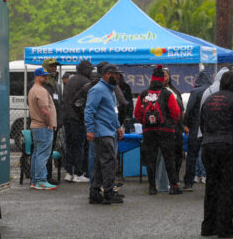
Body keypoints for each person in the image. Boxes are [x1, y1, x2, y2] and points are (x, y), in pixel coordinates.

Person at [200, 71, 233, 238]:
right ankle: (225, 227)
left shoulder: (208, 100)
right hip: (230, 148)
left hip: (208, 147)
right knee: (229, 188)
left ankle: (208, 226)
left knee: (212, 187)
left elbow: (202, 124)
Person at [134, 65, 182, 195]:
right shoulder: (167, 93)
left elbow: (137, 112)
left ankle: (152, 186)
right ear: (162, 80)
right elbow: (176, 112)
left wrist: (144, 123)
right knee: (169, 158)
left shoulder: (144, 93)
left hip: (148, 131)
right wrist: (172, 123)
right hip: (166, 130)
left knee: (151, 159)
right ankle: (173, 186)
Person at [84, 64, 125, 204]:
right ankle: (108, 192)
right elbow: (89, 110)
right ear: (108, 74)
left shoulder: (110, 90)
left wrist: (118, 127)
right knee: (109, 163)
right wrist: (90, 129)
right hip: (102, 132)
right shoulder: (98, 90)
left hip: (109, 131)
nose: (118, 77)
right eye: (116, 74)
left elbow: (113, 111)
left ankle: (95, 192)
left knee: (100, 164)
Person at [62, 60, 92, 183]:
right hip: (78, 119)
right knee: (79, 146)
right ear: (85, 69)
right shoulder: (85, 82)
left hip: (67, 118)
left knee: (69, 146)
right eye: (90, 69)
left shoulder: (71, 80)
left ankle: (69, 172)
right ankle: (79, 173)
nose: (91, 71)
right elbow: (85, 102)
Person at [27, 67, 58, 190]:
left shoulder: (33, 90)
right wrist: (49, 123)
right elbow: (44, 110)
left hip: (36, 126)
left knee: (37, 153)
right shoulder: (41, 90)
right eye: (43, 76)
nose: (46, 77)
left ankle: (35, 180)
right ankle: (40, 180)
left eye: (46, 75)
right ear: (36, 77)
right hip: (43, 126)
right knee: (43, 154)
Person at [182, 69, 213, 190]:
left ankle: (188, 182)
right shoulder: (213, 91)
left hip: (195, 127)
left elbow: (189, 110)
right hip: (210, 128)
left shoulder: (195, 91)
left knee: (192, 155)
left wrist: (186, 124)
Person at [42, 58, 64, 186]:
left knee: (49, 151)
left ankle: (48, 176)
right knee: (45, 152)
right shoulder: (42, 85)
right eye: (51, 66)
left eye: (55, 67)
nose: (54, 69)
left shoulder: (55, 84)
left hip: (55, 123)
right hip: (45, 124)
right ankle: (44, 177)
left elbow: (58, 103)